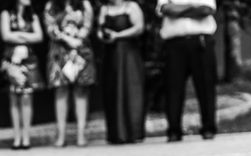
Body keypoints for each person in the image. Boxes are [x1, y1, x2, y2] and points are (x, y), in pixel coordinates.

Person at [157, 0, 218, 142]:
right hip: (174, 44)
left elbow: (205, 11)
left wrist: (179, 10)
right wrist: (192, 7)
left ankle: (208, 128)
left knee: (206, 86)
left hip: (201, 41)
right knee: (173, 88)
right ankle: (174, 130)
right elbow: (166, 9)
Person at [44, 0, 96, 147]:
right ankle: (61, 135)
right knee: (61, 91)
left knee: (81, 91)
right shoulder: (52, 5)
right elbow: (50, 28)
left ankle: (81, 134)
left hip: (81, 52)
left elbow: (87, 25)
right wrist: (67, 39)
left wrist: (78, 39)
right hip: (59, 52)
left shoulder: (84, 4)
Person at [98, 0, 146, 144]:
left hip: (128, 53)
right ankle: (116, 134)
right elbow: (100, 30)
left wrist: (118, 35)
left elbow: (139, 27)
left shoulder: (131, 7)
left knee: (131, 90)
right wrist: (103, 35)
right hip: (111, 56)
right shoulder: (104, 9)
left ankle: (134, 132)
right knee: (112, 92)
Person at [0, 0, 45, 150]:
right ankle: (16, 137)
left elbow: (39, 37)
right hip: (12, 60)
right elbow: (6, 36)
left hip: (29, 60)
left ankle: (26, 137)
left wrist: (17, 35)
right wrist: (26, 35)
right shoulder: (6, 14)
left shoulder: (33, 16)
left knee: (27, 98)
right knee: (13, 98)